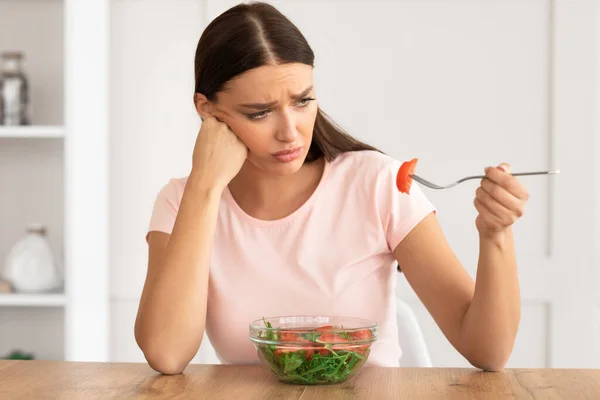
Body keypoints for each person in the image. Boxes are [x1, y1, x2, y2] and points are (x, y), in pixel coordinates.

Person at [135, 1, 529, 375]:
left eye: (303, 101)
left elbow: (487, 351)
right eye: (260, 112)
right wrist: (205, 186)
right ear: (206, 109)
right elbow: (167, 353)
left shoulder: (377, 184)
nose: (290, 133)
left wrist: (495, 235)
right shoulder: (180, 203)